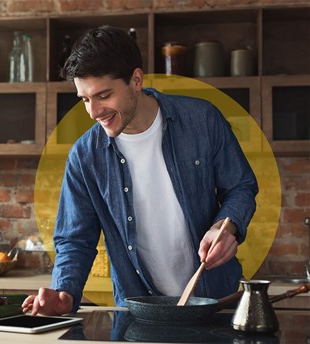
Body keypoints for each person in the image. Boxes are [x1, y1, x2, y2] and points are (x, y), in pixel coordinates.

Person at [22, 25, 258, 316]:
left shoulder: (202, 120)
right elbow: (74, 239)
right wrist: (64, 293)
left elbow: (241, 187)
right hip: (139, 313)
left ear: (135, 80)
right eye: (84, 99)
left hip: (217, 304)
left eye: (104, 95)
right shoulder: (84, 156)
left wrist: (226, 226)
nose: (94, 112)